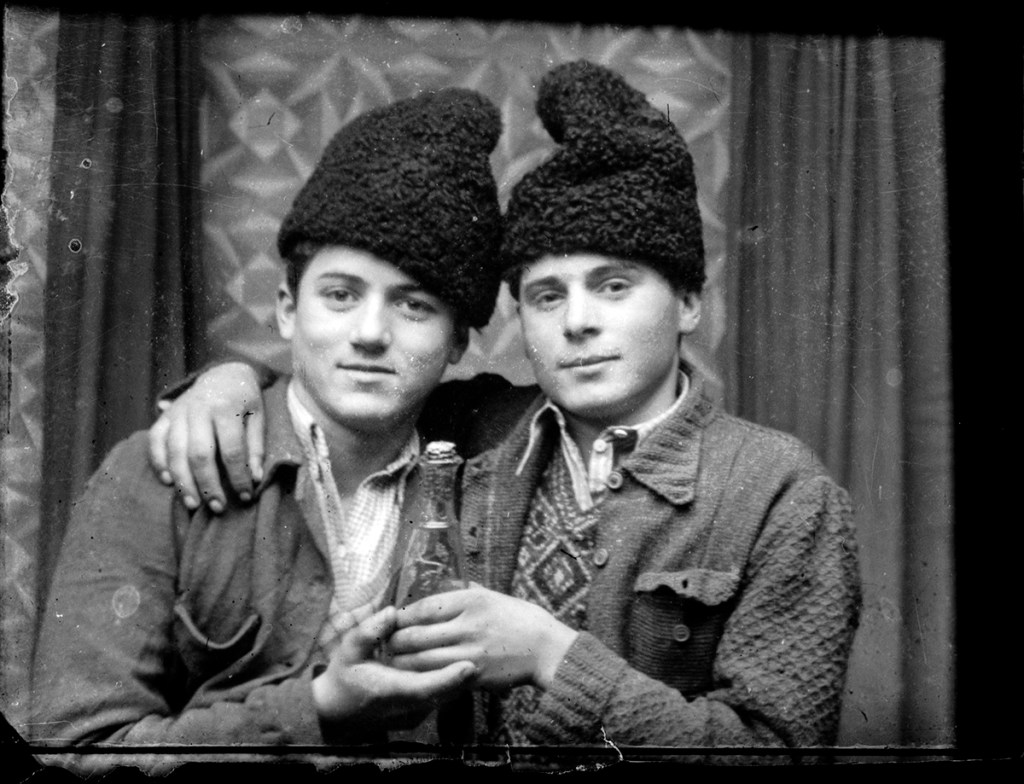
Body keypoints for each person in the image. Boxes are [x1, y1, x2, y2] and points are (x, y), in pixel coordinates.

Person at [149, 61, 862, 758]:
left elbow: (779, 754)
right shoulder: (477, 427)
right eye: (547, 296)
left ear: (687, 302)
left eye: (612, 287)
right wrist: (228, 382)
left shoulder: (781, 493)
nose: (577, 322)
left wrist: (553, 657)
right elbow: (348, 382)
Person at [30, 87, 507, 757]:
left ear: (459, 340)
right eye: (340, 295)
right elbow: (72, 752)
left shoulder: (495, 457)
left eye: (415, 306)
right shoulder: (160, 472)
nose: (369, 334)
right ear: (288, 307)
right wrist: (314, 710)